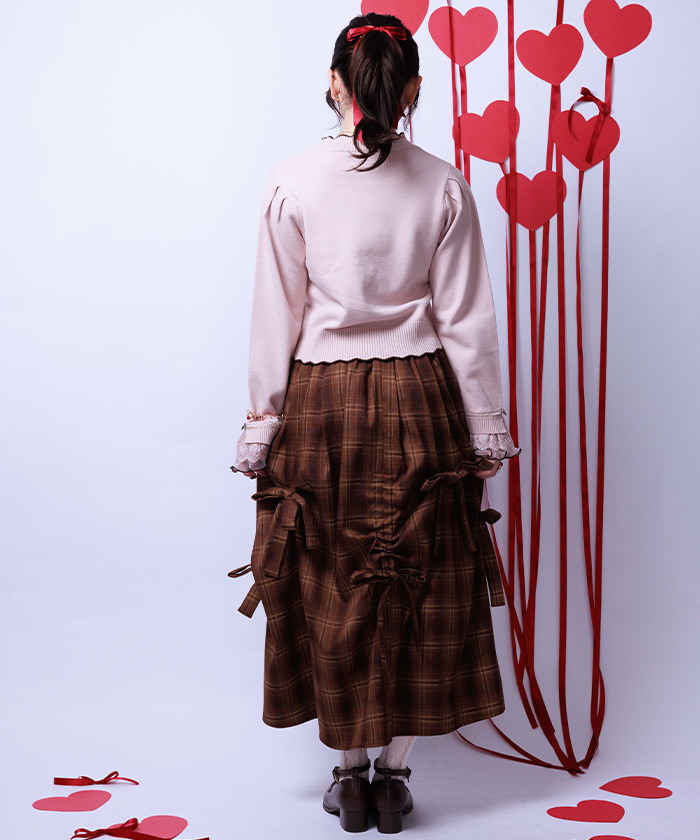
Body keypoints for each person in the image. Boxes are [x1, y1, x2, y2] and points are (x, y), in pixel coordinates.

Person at [229, 11, 521, 834]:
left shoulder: (292, 183)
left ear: (334, 83)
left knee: (333, 580)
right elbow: (466, 321)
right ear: (413, 89)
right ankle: (394, 779)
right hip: (421, 399)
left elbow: (277, 317)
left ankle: (349, 778)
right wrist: (485, 426)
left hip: (322, 408)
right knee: (417, 579)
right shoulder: (444, 184)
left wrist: (261, 423)